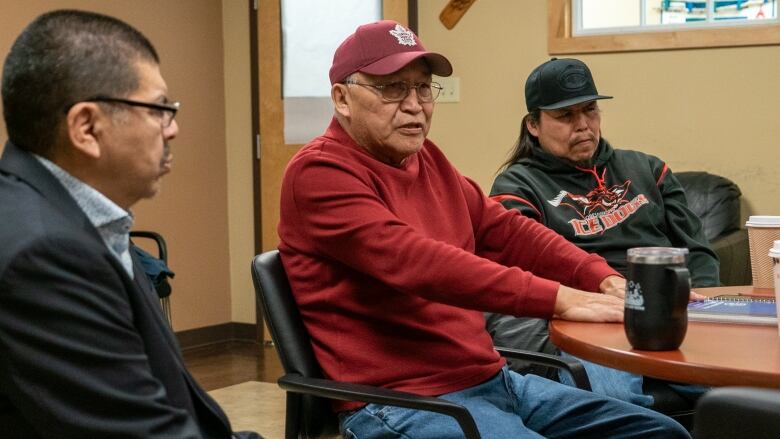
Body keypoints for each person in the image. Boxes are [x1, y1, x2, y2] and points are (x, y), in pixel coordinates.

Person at [278, 20, 689, 438]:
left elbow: (505, 230)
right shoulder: (319, 171)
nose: (415, 105)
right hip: (402, 401)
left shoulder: (427, 160)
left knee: (661, 433)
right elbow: (417, 262)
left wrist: (599, 277)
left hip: (491, 382)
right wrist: (558, 298)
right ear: (342, 98)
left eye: (423, 88)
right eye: (392, 88)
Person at [0, 10, 261, 438]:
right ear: (86, 127)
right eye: (160, 109)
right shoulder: (44, 254)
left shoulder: (84, 221)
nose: (173, 128)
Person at [487, 57, 718, 407]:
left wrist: (703, 308)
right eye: (565, 116)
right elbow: (524, 268)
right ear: (533, 124)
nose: (583, 125)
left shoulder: (648, 169)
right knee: (617, 401)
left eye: (590, 110)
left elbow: (697, 252)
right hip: (587, 315)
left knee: (745, 393)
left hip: (666, 308)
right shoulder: (517, 186)